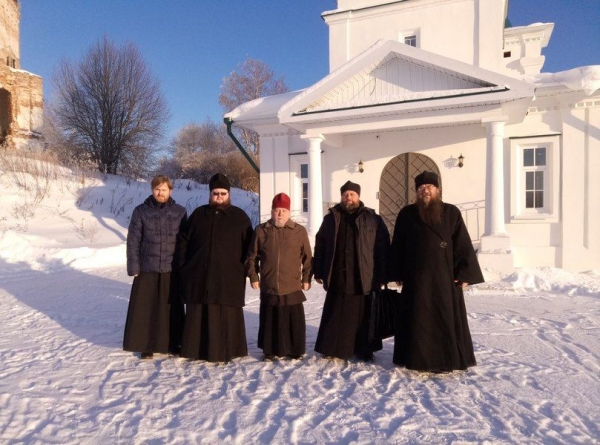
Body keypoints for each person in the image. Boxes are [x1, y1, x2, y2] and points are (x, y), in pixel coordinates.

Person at [388, 171, 484, 372]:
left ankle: (446, 360)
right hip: (416, 278)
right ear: (416, 191)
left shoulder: (451, 212)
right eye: (421, 188)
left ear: (437, 189)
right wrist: (396, 273)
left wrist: (465, 274)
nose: (425, 190)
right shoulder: (406, 214)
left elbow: (463, 244)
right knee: (417, 319)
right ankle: (417, 359)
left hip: (444, 277)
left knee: (444, 317)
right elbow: (398, 245)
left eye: (430, 187)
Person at [175, 173, 253, 363]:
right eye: (216, 193)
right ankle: (196, 349)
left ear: (229, 194)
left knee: (225, 313)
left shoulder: (240, 217)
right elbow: (183, 241)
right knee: (199, 312)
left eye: (223, 193)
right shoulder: (198, 215)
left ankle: (229, 349)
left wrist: (246, 270)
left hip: (228, 277)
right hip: (199, 275)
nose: (219, 197)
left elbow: (250, 247)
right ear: (210, 194)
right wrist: (183, 266)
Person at [313, 181, 390, 361]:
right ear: (341, 197)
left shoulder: (372, 219)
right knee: (336, 314)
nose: (348, 198)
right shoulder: (331, 218)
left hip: (363, 276)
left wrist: (383, 275)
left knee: (363, 315)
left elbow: (382, 247)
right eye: (345, 194)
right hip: (338, 276)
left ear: (358, 196)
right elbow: (321, 244)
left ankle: (364, 348)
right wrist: (318, 269)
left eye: (352, 194)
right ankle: (333, 348)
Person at [124, 175, 187, 359]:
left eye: (164, 189)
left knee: (171, 309)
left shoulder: (180, 212)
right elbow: (133, 240)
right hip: (147, 268)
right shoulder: (141, 211)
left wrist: (183, 267)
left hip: (171, 268)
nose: (160, 193)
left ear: (170, 190)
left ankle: (174, 343)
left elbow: (184, 242)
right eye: (157, 189)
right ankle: (146, 345)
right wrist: (134, 266)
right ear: (152, 190)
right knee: (147, 309)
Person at [245, 192, 313, 361]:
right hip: (269, 284)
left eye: (283, 210)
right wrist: (254, 276)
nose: (280, 214)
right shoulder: (261, 230)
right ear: (272, 211)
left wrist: (306, 278)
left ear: (289, 212)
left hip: (292, 284)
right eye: (277, 210)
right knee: (271, 321)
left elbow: (308, 258)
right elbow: (251, 257)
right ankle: (270, 351)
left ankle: (295, 350)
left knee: (293, 320)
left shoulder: (299, 231)